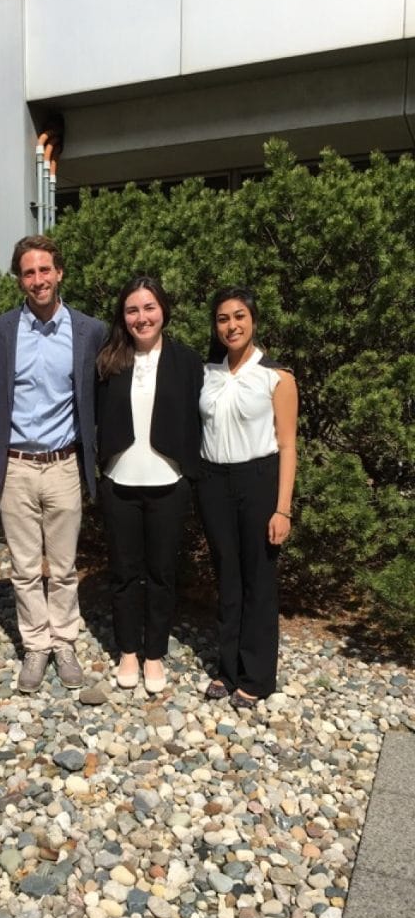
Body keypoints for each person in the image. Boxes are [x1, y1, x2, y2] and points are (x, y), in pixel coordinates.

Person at [0, 235, 106, 693]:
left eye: (45, 270)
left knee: (64, 564)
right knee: (22, 567)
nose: (38, 280)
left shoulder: (88, 330)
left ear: (60, 274)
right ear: (20, 279)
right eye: (29, 272)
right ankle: (35, 644)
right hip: (16, 464)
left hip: (63, 465)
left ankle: (65, 641)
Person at [96, 276, 203, 694]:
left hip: (168, 482)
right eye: (132, 310)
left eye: (149, 307)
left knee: (161, 574)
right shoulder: (109, 360)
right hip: (120, 481)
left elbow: (202, 418)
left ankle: (154, 654)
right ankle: (127, 651)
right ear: (123, 316)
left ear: (163, 310)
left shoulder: (187, 360)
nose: (142, 317)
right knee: (123, 574)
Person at [198, 286, 298, 708]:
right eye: (223, 318)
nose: (231, 325)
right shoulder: (209, 372)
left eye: (239, 316)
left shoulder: (276, 376)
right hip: (213, 481)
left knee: (258, 578)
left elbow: (288, 446)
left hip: (258, 480)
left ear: (253, 320)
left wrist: (282, 508)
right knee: (228, 578)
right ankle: (228, 666)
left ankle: (256, 677)